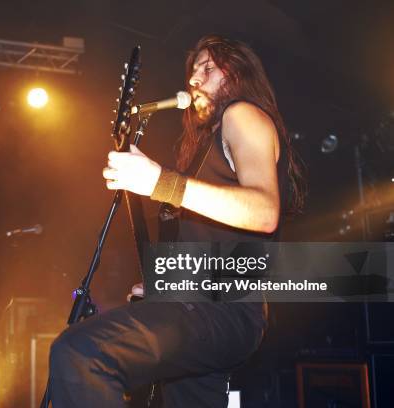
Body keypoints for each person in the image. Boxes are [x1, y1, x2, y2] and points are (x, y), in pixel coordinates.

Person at [48, 35, 305, 407]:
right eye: (192, 72)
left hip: (223, 309)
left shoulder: (242, 114)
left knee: (83, 352)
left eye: (208, 68)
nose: (194, 80)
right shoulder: (205, 147)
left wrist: (160, 182)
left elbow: (264, 212)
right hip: (202, 307)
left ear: (238, 73)